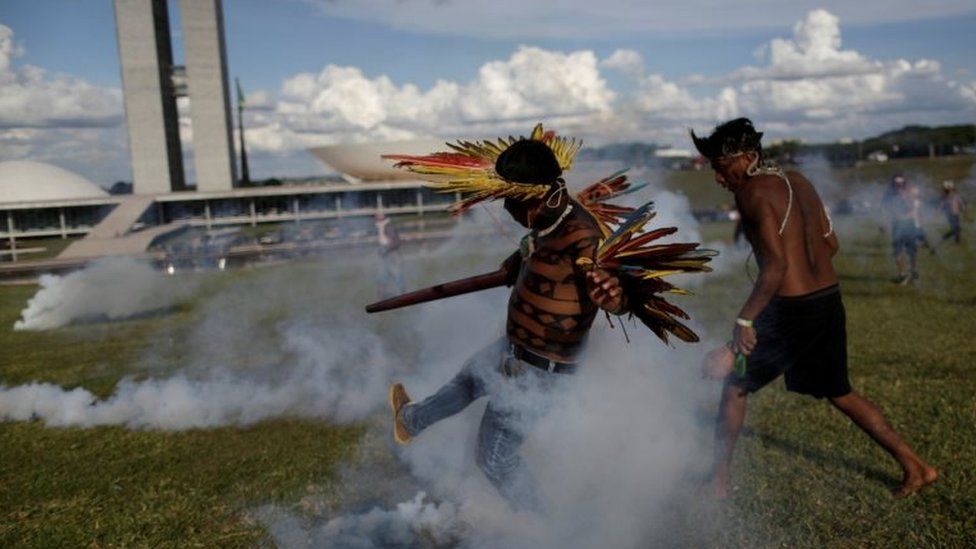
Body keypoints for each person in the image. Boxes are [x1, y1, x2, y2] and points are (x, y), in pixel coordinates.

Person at [690, 118, 937, 499]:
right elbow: (831, 243)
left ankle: (718, 483)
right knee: (839, 391)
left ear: (749, 157)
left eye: (723, 168)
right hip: (827, 301)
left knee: (734, 383)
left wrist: (744, 321)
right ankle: (916, 466)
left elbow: (776, 267)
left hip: (792, 311)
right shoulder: (799, 182)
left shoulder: (753, 193)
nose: (720, 179)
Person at [388, 139, 627, 510]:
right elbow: (525, 259)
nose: (505, 208)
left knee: (496, 459)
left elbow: (612, 291)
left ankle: (555, 535)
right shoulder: (547, 220)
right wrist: (515, 263)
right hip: (513, 349)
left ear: (536, 197)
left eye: (510, 201)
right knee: (468, 379)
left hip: (538, 372)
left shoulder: (583, 236)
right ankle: (411, 421)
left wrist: (613, 295)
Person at [883, 175, 921, 284]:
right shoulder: (889, 195)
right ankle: (902, 274)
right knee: (897, 250)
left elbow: (912, 208)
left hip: (908, 223)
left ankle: (913, 272)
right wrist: (886, 223)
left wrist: (904, 196)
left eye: (901, 183)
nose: (898, 186)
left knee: (911, 249)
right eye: (896, 184)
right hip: (897, 224)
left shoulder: (909, 194)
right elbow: (886, 210)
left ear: (904, 184)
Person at [374, 211, 406, 299]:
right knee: (381, 278)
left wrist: (386, 249)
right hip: (384, 258)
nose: (376, 221)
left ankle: (402, 296)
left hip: (393, 257)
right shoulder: (379, 229)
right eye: (376, 218)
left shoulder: (389, 228)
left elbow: (397, 242)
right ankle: (381, 297)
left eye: (379, 218)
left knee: (398, 277)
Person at [939, 180, 967, 244]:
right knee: (956, 228)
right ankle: (944, 237)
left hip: (956, 214)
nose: (952, 191)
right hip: (950, 216)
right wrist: (939, 211)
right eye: (950, 190)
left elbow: (960, 202)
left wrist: (963, 207)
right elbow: (942, 205)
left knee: (957, 229)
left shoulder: (956, 195)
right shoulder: (945, 197)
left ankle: (957, 240)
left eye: (953, 189)